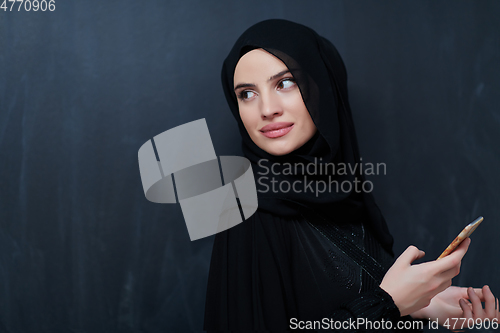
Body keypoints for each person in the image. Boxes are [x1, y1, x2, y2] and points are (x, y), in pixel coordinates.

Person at [204, 19, 498, 332]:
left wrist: (421, 308)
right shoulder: (247, 208)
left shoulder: (344, 193)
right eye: (247, 93)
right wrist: (390, 303)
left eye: (285, 83)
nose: (266, 109)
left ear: (324, 88)